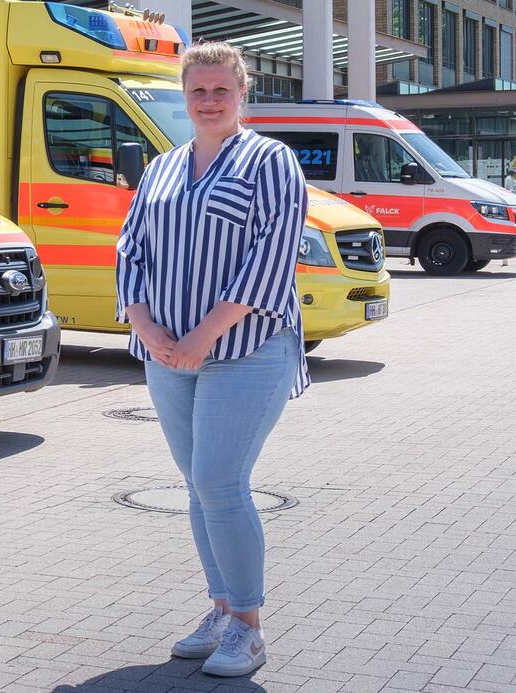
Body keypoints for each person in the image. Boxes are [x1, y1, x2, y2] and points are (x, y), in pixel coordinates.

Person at [114, 40, 309, 678]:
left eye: (220, 90)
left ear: (242, 92)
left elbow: (273, 256)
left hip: (245, 350)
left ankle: (249, 627)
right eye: (197, 90)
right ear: (184, 94)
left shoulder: (270, 161)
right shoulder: (162, 168)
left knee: (221, 483)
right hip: (165, 352)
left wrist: (203, 334)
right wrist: (145, 326)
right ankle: (222, 609)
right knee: (199, 487)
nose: (208, 101)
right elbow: (130, 248)